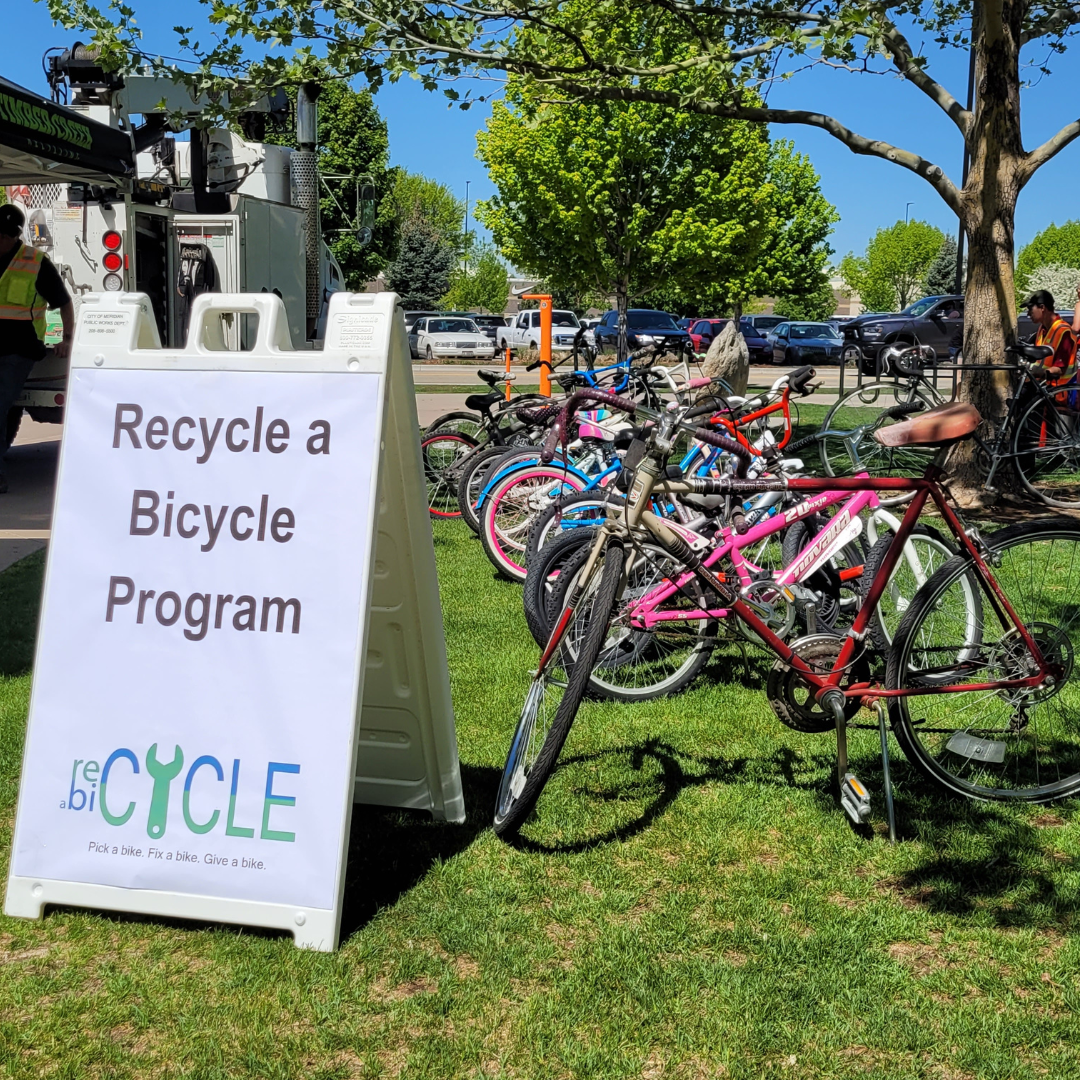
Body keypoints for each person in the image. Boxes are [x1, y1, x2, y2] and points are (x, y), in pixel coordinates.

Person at [0, 203, 73, 493]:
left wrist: (67, 339)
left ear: (15, 236)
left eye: (4, 236)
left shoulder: (34, 261)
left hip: (19, 351)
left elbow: (64, 302)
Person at [1025, 289, 1076, 403]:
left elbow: (1060, 368)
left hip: (1060, 392)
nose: (1028, 314)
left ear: (1042, 307)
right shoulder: (1042, 330)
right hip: (1045, 388)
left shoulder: (1063, 331)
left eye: (1030, 309)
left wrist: (1034, 374)